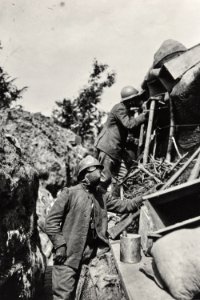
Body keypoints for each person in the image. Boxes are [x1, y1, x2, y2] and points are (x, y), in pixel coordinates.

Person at [45, 155, 143, 300]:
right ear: (84, 175)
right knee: (63, 295)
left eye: (99, 169)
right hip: (68, 255)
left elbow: (124, 206)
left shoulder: (102, 195)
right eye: (95, 169)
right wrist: (60, 246)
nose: (99, 172)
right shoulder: (69, 193)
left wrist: (142, 198)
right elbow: (51, 222)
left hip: (93, 256)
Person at [95, 85, 148, 189]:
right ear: (130, 100)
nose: (137, 101)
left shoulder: (126, 110)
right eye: (135, 99)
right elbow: (129, 124)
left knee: (119, 178)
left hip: (114, 149)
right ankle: (98, 203)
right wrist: (144, 116)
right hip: (108, 147)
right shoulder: (119, 108)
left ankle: (113, 201)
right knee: (104, 179)